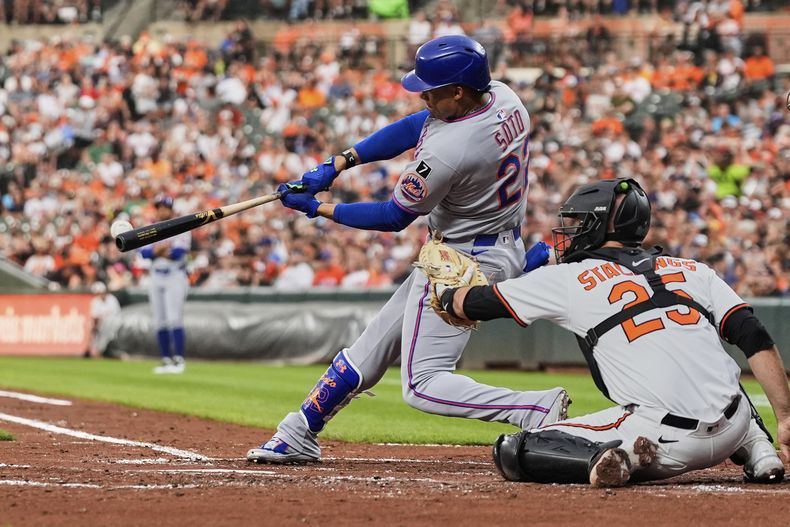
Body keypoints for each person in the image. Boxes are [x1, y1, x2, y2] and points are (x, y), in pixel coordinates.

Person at [247, 35, 569, 464]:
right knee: (371, 348)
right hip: (495, 246)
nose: (424, 97)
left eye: (432, 91)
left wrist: (317, 207)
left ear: (458, 91)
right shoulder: (505, 99)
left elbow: (393, 217)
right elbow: (416, 124)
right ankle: (299, 430)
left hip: (459, 263)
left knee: (422, 384)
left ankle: (533, 408)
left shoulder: (451, 150)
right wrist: (341, 161)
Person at [436, 178, 789, 487]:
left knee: (513, 449)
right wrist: (786, 417)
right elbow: (754, 337)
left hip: (665, 438)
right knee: (709, 356)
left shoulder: (567, 279)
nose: (570, 232)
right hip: (734, 425)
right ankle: (759, 448)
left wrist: (446, 290)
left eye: (578, 223)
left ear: (600, 226)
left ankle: (617, 459)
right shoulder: (694, 269)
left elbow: (474, 303)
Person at [139, 194, 191, 374]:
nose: (161, 210)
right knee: (159, 321)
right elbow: (143, 252)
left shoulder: (181, 225)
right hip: (156, 276)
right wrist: (159, 250)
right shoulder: (150, 227)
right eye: (159, 207)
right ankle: (166, 360)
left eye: (165, 207)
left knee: (174, 318)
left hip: (175, 275)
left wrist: (156, 250)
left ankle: (179, 360)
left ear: (170, 209)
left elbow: (177, 253)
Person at [87, 281, 121, 357]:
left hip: (113, 325)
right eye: (98, 293)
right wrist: (94, 328)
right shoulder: (95, 301)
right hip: (101, 327)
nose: (100, 294)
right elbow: (95, 318)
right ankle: (95, 351)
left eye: (101, 292)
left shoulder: (112, 299)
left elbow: (117, 315)